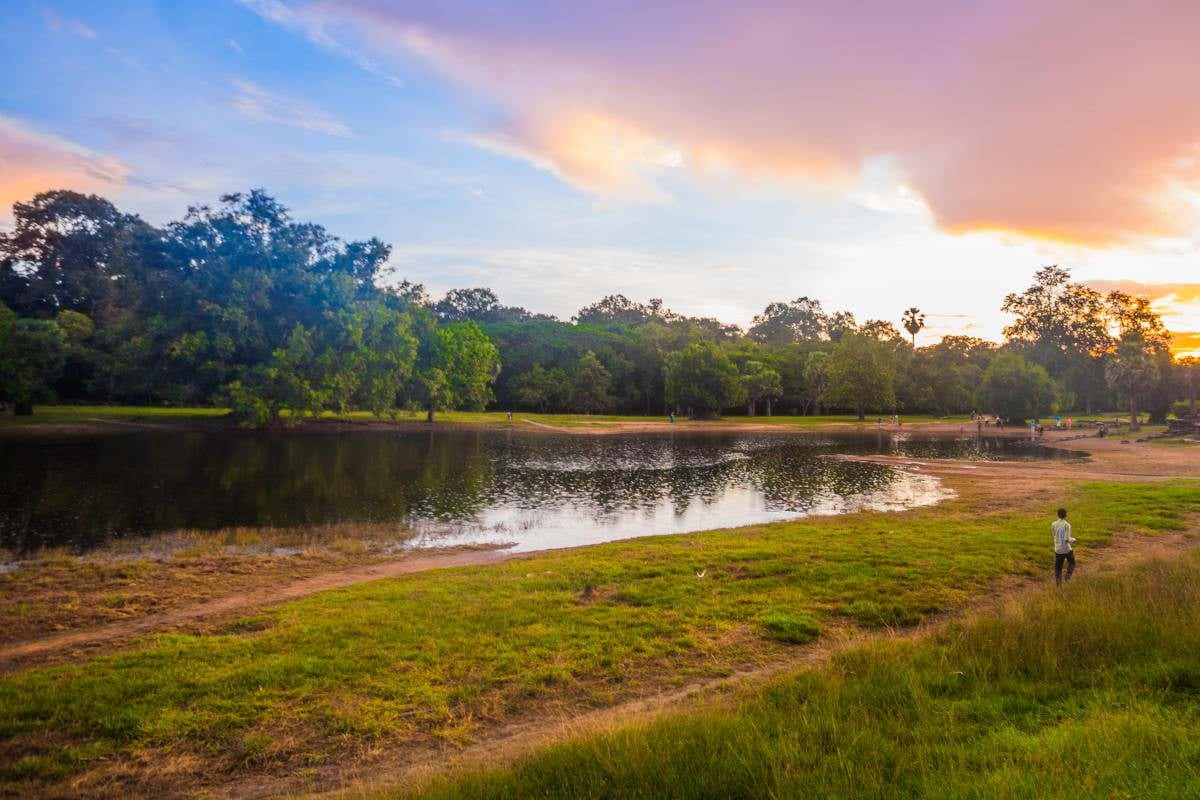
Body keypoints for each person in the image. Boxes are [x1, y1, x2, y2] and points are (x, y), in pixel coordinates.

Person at [1052, 508, 1076, 585]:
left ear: (1057, 515)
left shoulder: (1053, 524)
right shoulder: (1067, 525)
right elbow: (1067, 539)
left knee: (1058, 568)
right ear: (1066, 515)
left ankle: (1058, 584)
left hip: (1058, 549)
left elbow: (1054, 535)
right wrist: (1073, 540)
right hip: (1066, 549)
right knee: (1072, 562)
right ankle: (1067, 577)